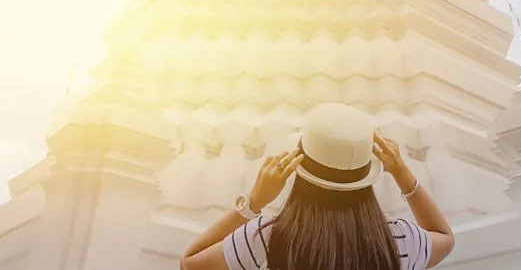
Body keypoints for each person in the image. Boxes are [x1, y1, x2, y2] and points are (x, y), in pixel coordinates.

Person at [179, 103, 456, 270]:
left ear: (299, 167)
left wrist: (254, 202)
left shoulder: (268, 237)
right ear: (365, 177)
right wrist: (401, 172)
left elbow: (191, 263)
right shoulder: (398, 241)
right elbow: (444, 237)